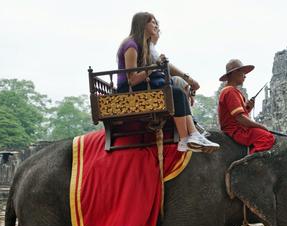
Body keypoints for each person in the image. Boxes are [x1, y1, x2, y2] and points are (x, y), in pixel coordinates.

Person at [116, 12, 218, 152]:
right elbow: (132, 80)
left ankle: (193, 134)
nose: (156, 26)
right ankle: (185, 139)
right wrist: (154, 67)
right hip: (128, 92)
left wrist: (158, 65)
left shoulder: (145, 46)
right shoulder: (131, 45)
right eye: (153, 22)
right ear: (142, 24)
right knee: (175, 93)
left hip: (142, 86)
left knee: (177, 90)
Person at [217, 59, 275, 153]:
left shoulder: (233, 91)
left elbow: (237, 116)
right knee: (267, 137)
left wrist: (248, 108)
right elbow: (239, 118)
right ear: (234, 73)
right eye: (242, 72)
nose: (245, 76)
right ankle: (251, 163)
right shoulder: (230, 91)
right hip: (236, 131)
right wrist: (260, 126)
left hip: (237, 129)